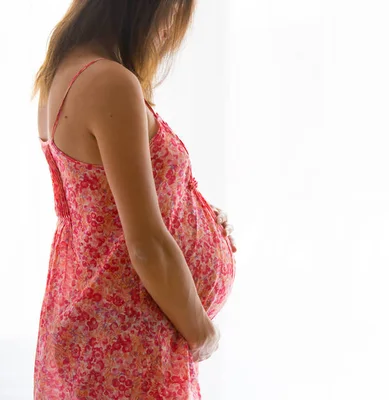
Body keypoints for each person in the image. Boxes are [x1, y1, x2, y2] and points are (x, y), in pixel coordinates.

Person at [31, 1, 236, 398]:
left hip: (95, 332)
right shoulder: (109, 83)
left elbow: (102, 210)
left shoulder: (63, 74)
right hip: (127, 345)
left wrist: (200, 220)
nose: (168, 32)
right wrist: (202, 331)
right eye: (171, 13)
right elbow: (143, 246)